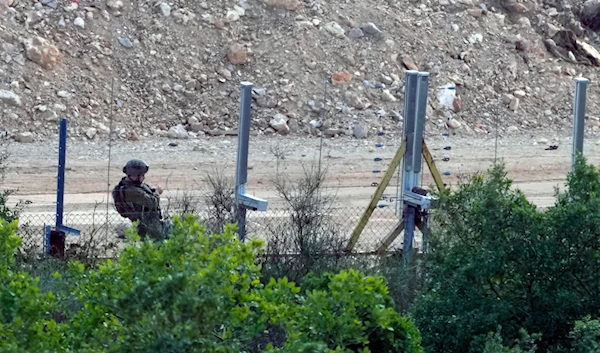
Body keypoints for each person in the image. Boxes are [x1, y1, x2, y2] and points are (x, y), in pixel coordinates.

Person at [112, 159, 168, 241]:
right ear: (134, 176)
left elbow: (144, 193)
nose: (144, 177)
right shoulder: (131, 191)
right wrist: (157, 192)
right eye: (142, 175)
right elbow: (152, 202)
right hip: (148, 226)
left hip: (145, 223)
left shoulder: (128, 186)